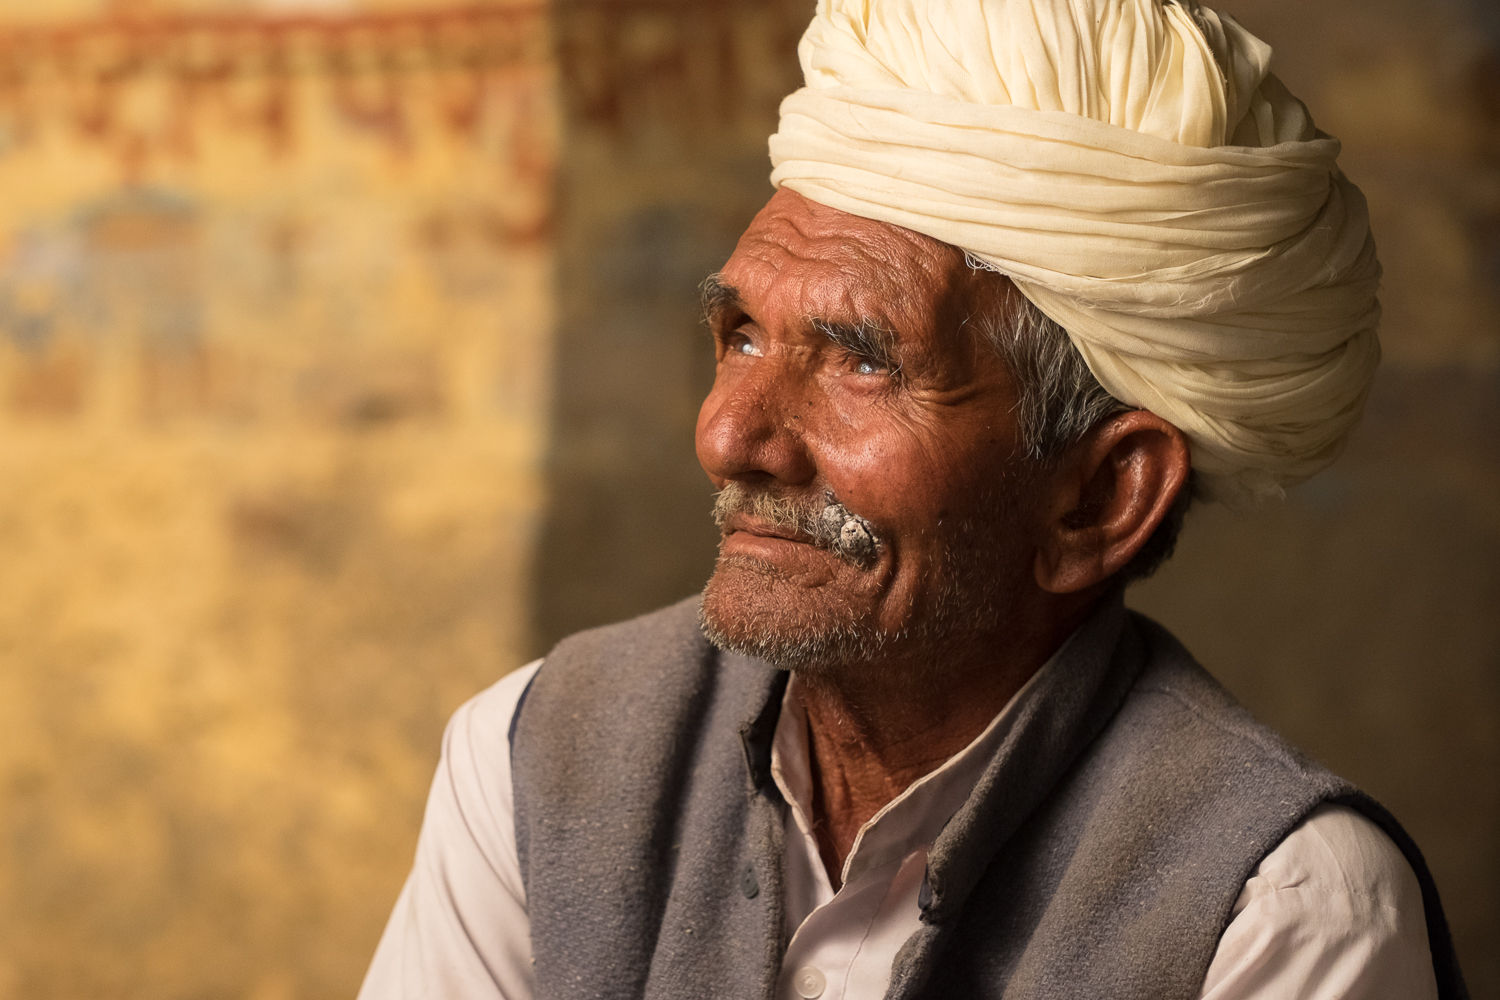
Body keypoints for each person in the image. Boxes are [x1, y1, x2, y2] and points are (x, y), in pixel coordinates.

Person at [360, 0, 1468, 997]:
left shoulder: (1283, 916)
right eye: (740, 335)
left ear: (1101, 497)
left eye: (860, 361)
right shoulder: (535, 755)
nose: (728, 435)